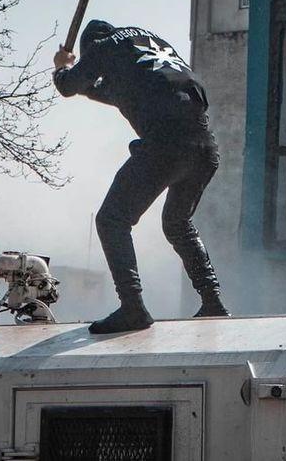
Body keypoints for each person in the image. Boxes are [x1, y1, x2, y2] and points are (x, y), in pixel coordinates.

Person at [53, 20, 230, 334]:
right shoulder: (149, 43)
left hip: (165, 145)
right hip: (204, 148)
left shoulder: (101, 47)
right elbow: (109, 91)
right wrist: (79, 82)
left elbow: (70, 87)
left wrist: (62, 70)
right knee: (178, 223)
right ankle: (212, 300)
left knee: (112, 220)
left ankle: (133, 307)